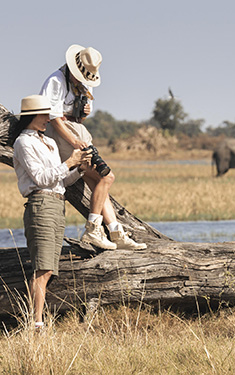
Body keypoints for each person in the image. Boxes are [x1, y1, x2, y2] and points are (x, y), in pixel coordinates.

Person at [40, 44, 145, 250]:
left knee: (100, 180)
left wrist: (85, 112)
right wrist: (73, 142)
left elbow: (81, 118)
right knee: (107, 177)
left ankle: (115, 232)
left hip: (77, 131)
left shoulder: (85, 83)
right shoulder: (56, 80)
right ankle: (93, 230)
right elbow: (53, 117)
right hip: (62, 134)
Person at [12, 94, 92, 329]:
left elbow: (61, 181)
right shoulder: (23, 143)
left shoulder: (50, 142)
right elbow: (41, 178)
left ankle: (37, 320)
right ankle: (37, 324)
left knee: (49, 267)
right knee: (43, 267)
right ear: (31, 116)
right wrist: (69, 162)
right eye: (44, 114)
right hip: (41, 204)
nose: (48, 119)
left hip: (57, 204)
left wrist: (79, 168)